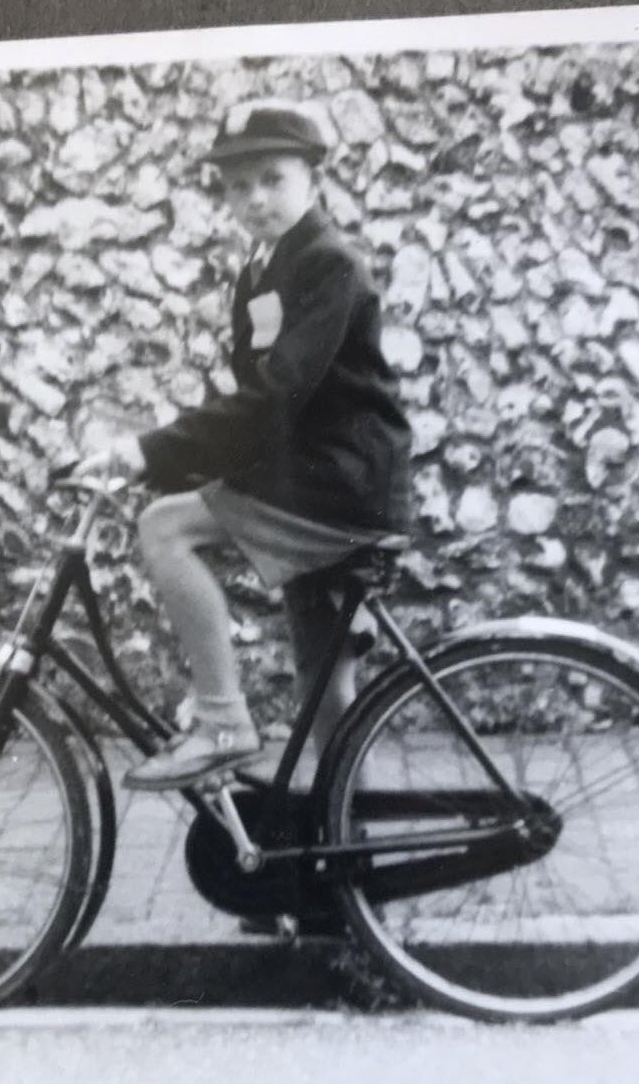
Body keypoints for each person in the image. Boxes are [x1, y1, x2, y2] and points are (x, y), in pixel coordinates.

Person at [76, 100, 412, 791]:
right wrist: (168, 461)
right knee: (324, 685)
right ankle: (350, 863)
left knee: (163, 528)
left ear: (311, 178)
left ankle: (222, 720)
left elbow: (275, 397)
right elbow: (256, 410)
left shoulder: (327, 265)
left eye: (271, 178)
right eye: (237, 185)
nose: (254, 198)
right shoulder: (262, 272)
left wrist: (151, 452)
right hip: (313, 478)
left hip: (336, 484)